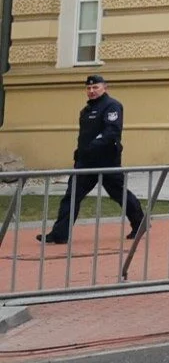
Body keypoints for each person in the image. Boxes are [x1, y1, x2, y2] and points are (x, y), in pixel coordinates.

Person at [41, 74, 146, 244]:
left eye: (95, 87)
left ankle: (140, 222)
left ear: (105, 87)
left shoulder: (112, 106)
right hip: (86, 162)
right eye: (89, 88)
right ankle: (59, 234)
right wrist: (80, 152)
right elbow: (84, 136)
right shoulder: (86, 110)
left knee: (119, 194)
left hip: (107, 161)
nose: (91, 91)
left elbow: (111, 132)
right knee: (71, 196)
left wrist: (92, 147)